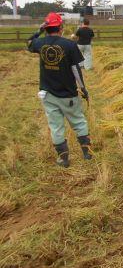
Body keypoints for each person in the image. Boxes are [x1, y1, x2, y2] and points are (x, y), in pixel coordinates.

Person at [27, 12, 93, 167]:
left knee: (56, 126)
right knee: (78, 122)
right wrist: (83, 89)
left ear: (47, 28)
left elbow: (29, 42)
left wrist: (39, 30)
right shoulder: (69, 45)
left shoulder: (40, 43)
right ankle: (87, 154)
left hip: (48, 94)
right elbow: (76, 70)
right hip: (68, 94)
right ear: (61, 27)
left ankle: (63, 159)